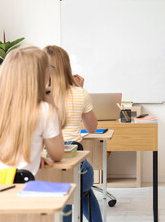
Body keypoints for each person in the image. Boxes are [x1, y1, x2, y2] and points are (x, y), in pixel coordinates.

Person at [0, 47, 64, 176]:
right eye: (49, 69)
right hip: (18, 187)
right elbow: (57, 155)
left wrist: (33, 155)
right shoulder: (44, 110)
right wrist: (51, 103)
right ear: (39, 74)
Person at [44, 45, 101, 222]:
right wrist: (81, 90)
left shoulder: (38, 95)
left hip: (46, 165)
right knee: (79, 189)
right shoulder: (80, 93)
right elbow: (92, 128)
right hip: (78, 166)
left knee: (67, 188)